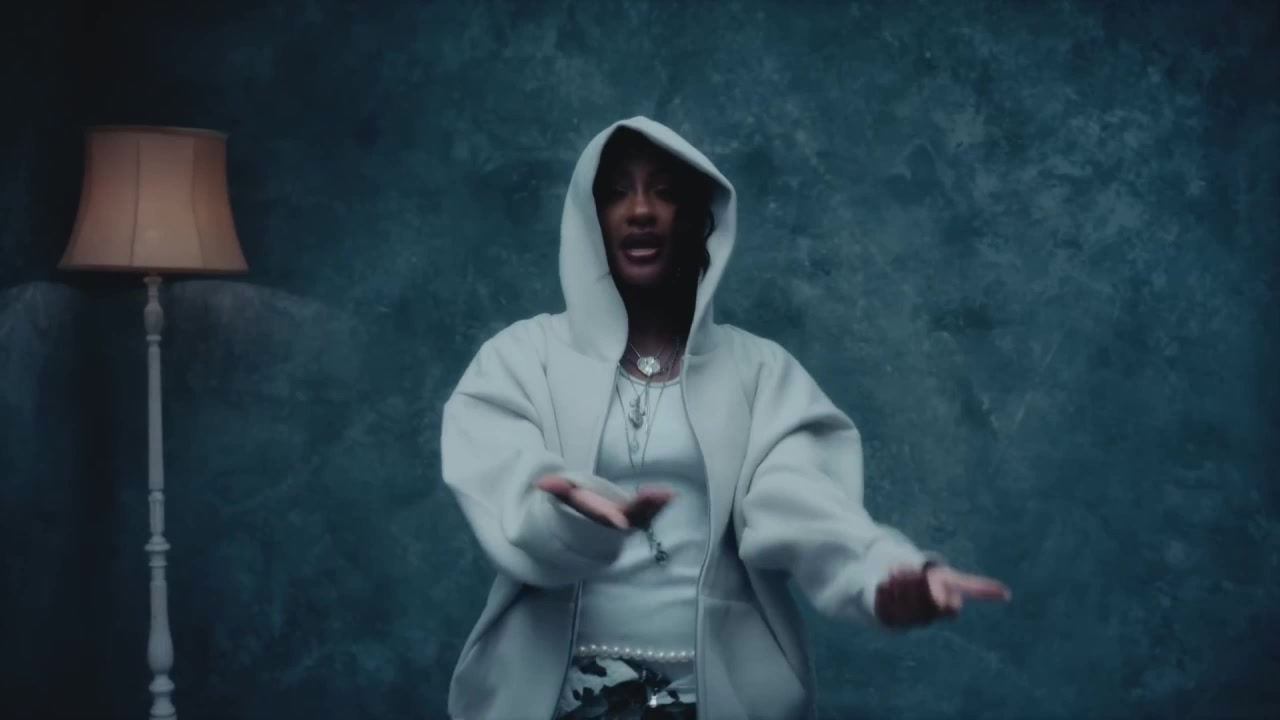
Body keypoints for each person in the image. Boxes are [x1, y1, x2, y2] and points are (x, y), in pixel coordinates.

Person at [440, 117, 1011, 720]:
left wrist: (882, 572)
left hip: (718, 701)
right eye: (616, 193)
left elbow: (801, 502)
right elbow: (508, 483)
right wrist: (571, 512)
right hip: (552, 700)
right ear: (591, 218)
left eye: (664, 192)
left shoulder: (760, 372)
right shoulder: (522, 358)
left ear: (699, 220)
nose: (640, 210)